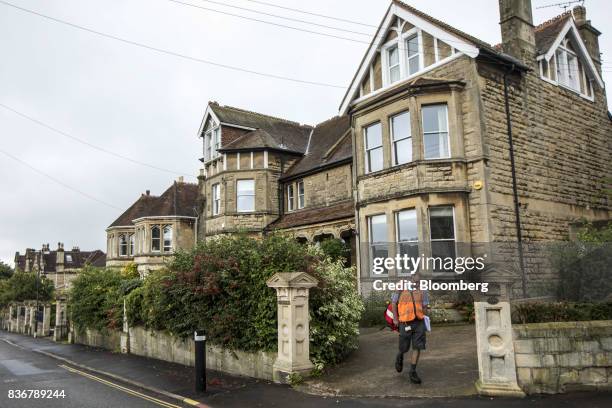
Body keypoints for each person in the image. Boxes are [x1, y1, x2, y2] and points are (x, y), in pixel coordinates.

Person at [391, 275, 429, 384]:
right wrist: (395, 319)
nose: (416, 284)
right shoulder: (400, 288)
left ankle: (412, 371)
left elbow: (425, 306)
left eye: (418, 282)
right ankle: (400, 355)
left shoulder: (423, 290)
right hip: (405, 322)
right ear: (410, 280)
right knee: (404, 347)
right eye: (415, 282)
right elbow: (394, 303)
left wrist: (426, 320)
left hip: (419, 322)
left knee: (418, 346)